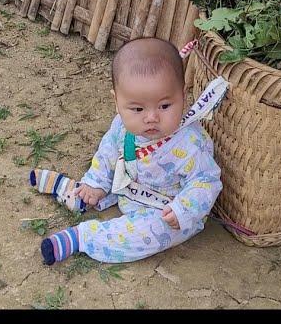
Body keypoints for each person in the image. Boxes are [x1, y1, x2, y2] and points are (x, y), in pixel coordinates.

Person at [29, 37, 228, 264]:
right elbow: (108, 152)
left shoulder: (192, 143)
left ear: (183, 95)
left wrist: (184, 210)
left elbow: (206, 181)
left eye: (165, 106)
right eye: (137, 108)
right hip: (130, 186)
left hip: (166, 210)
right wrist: (97, 181)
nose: (152, 117)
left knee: (150, 233)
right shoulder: (122, 126)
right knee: (111, 174)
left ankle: (82, 238)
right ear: (117, 102)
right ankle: (83, 195)